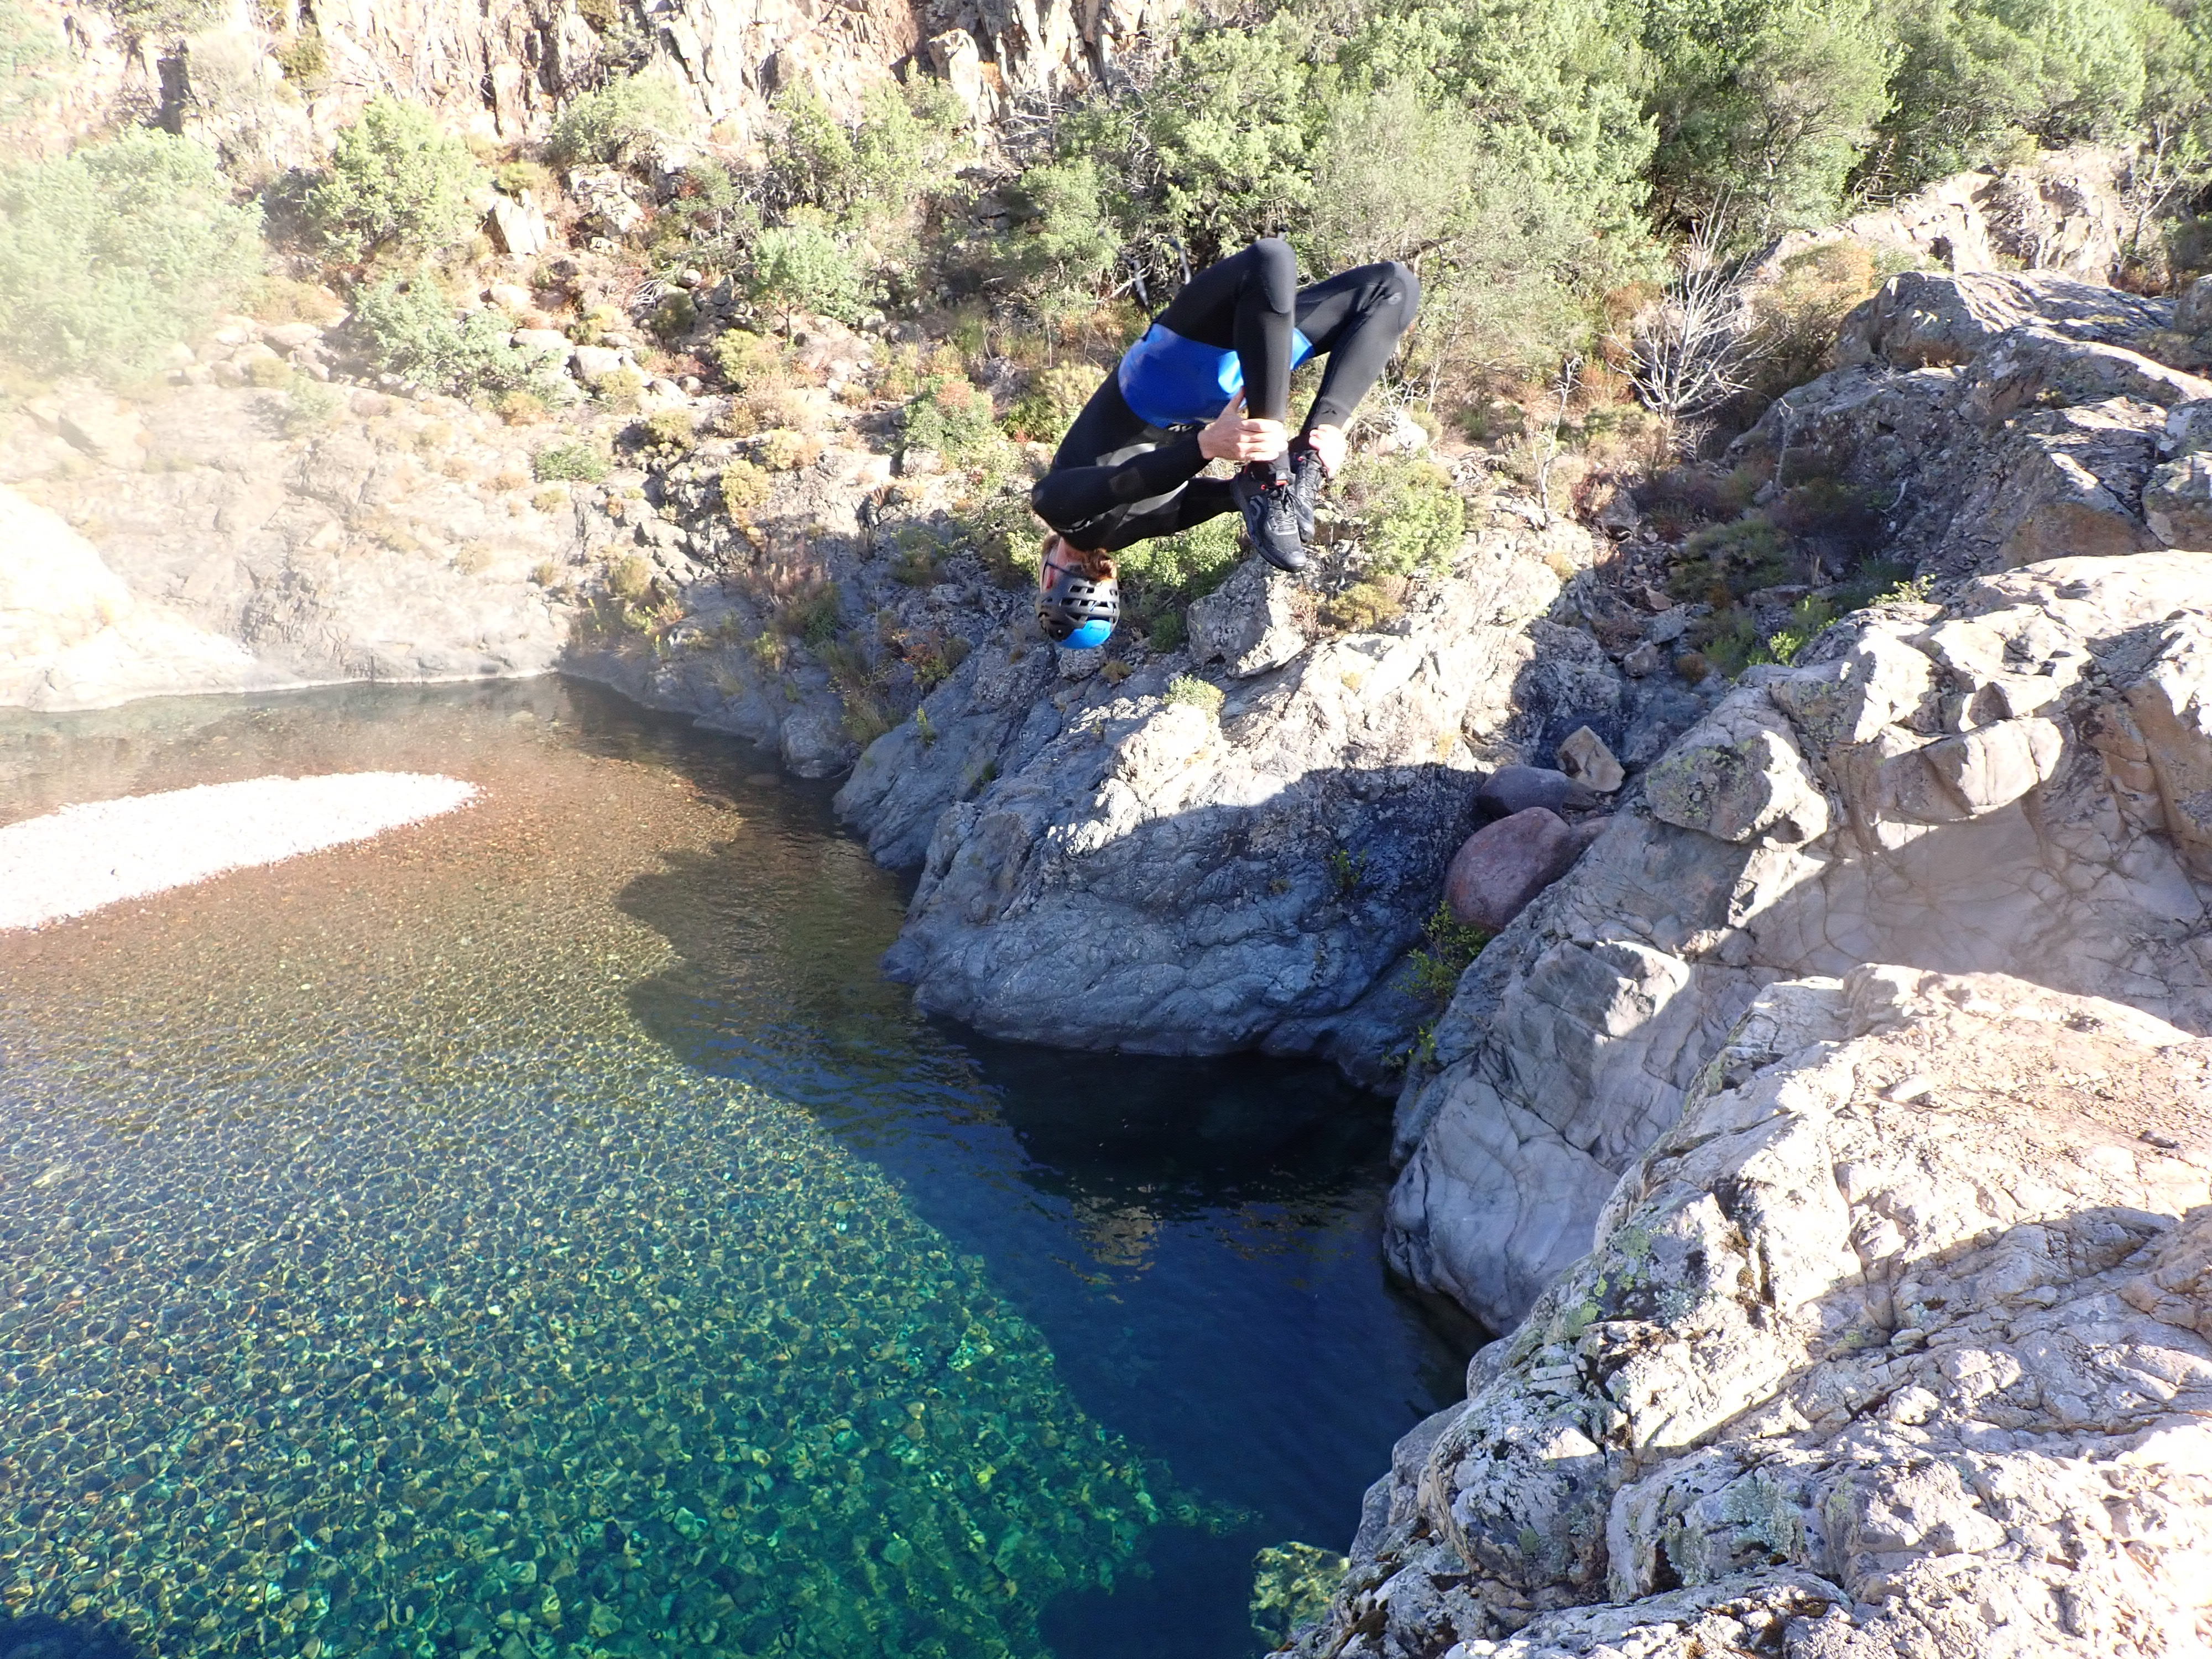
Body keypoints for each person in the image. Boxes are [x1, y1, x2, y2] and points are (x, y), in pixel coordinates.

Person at [1030, 237, 1420, 648]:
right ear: (1048, 580)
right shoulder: (1052, 505)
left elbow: (1147, 485)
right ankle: (1303, 458)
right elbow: (1135, 483)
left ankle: (1295, 458)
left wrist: (1211, 448)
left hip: (1223, 383)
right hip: (1177, 372)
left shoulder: (1122, 523)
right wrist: (1218, 448)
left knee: (1383, 284)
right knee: (1385, 286)